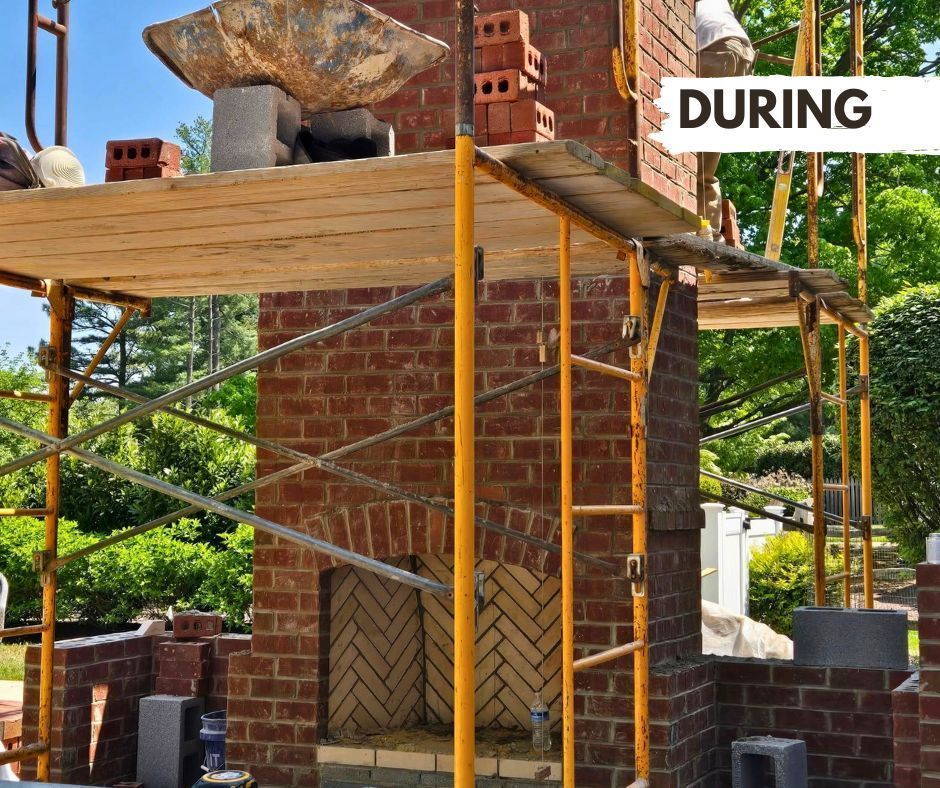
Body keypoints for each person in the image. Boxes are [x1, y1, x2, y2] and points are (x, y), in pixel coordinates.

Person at [696, 0, 755, 239]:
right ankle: (708, 229)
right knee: (707, 156)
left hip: (713, 46)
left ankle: (701, 227)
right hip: (743, 54)